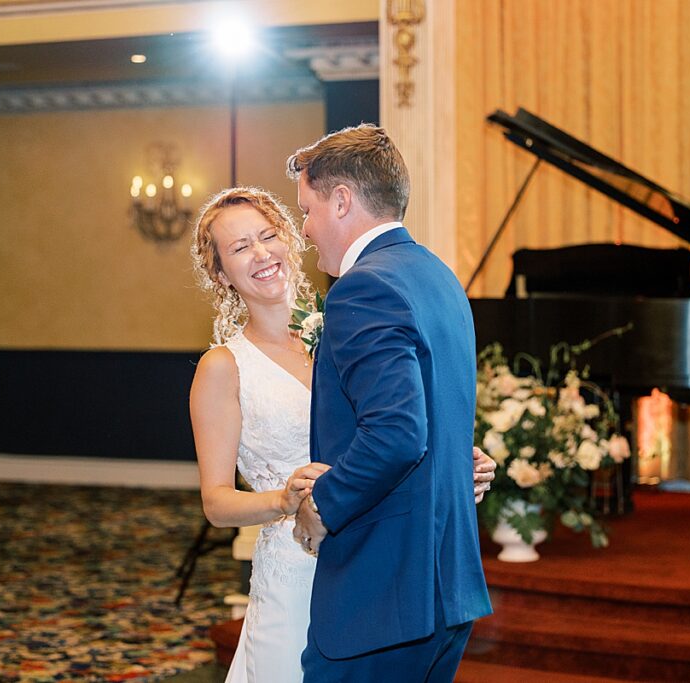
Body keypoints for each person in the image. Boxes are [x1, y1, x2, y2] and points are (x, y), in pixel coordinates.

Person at [188, 186, 494, 683]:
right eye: (241, 247)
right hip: (294, 568)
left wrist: (456, 463)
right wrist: (286, 500)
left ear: (291, 239)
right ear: (221, 274)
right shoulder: (223, 368)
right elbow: (216, 502)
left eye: (269, 236)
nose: (262, 253)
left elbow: (394, 432)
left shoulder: (349, 320)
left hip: (377, 563)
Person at [289, 124, 493, 681]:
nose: (304, 230)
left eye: (307, 210)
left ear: (342, 200)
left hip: (383, 596)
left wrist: (322, 504)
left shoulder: (363, 288)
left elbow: (398, 433)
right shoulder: (438, 275)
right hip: (444, 589)